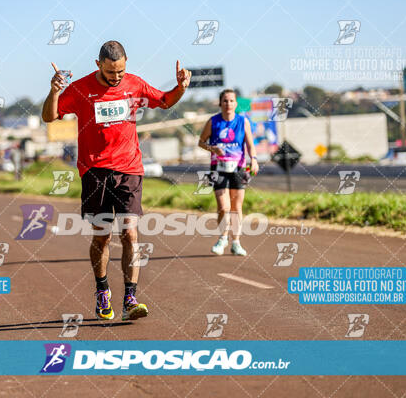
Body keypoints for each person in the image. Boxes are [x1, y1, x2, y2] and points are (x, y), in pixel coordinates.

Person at [42, 40, 191, 321]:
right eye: (111, 73)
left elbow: (165, 101)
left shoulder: (134, 84)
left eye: (121, 71)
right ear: (98, 65)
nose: (116, 78)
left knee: (130, 233)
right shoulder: (80, 89)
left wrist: (181, 88)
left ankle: (130, 298)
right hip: (94, 170)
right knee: (102, 236)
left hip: (129, 168)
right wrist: (54, 91)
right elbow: (49, 116)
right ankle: (102, 290)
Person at [198, 89, 259, 256]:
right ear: (220, 103)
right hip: (218, 168)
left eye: (231, 101)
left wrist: (253, 159)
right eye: (225, 101)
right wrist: (212, 148)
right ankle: (222, 238)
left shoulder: (242, 121)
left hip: (238, 168)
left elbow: (249, 144)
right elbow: (201, 142)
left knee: (236, 207)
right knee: (224, 207)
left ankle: (236, 242)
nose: (228, 104)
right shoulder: (213, 122)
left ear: (236, 104)